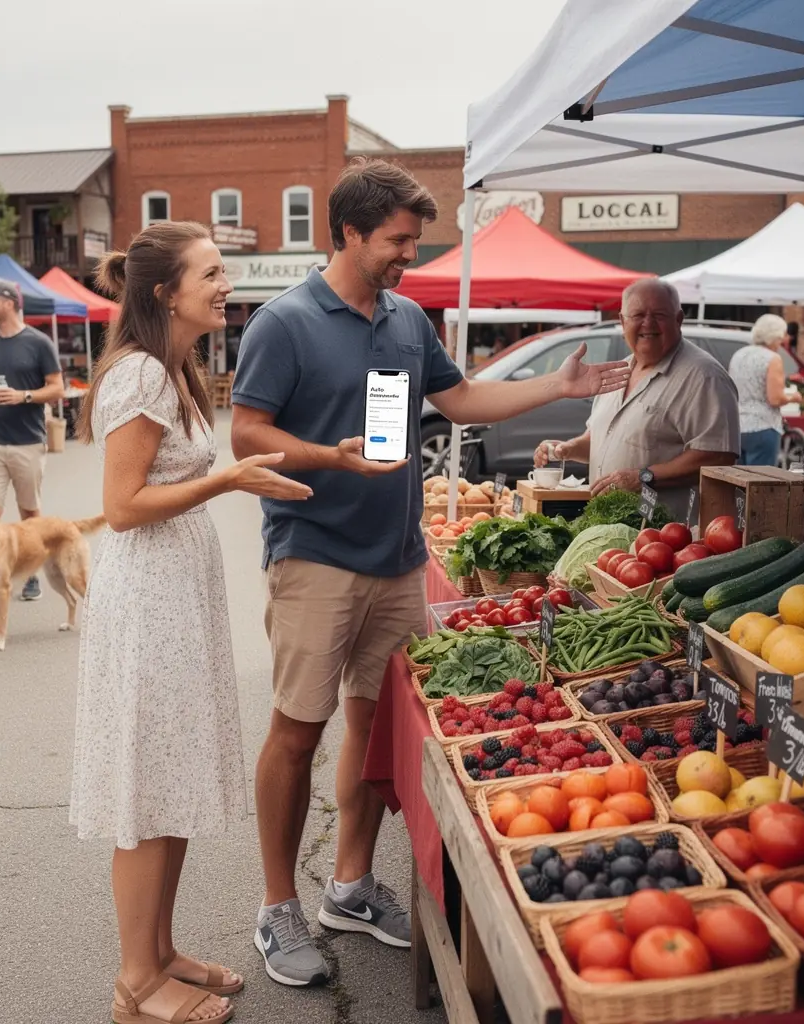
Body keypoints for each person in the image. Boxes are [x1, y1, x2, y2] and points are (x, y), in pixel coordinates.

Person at [231, 157, 631, 987]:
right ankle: (277, 908)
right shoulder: (284, 321)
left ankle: (348, 883)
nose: (408, 255)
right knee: (296, 733)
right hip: (312, 554)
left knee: (376, 731)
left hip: (400, 558)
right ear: (348, 231)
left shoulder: (410, 320)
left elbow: (461, 401)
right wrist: (328, 458)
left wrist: (556, 384)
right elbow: (245, 435)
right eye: (396, 240)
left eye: (414, 241)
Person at [71, 221, 313, 1024]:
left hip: (176, 599)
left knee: (167, 780)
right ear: (165, 292)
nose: (224, 285)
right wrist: (228, 481)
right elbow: (121, 508)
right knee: (146, 792)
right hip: (147, 606)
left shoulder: (174, 368)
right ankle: (135, 983)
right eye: (211, 273)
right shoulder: (138, 375)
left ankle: (162, 951)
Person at [535, 279, 740, 519]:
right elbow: (603, 438)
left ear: (679, 319)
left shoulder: (704, 377)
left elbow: (718, 456)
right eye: (638, 315)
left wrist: (644, 477)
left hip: (666, 537)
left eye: (660, 315)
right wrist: (567, 449)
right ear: (622, 322)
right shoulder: (618, 371)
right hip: (611, 528)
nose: (648, 324)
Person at [0, 281, 64, 607]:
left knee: (29, 512)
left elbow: (57, 388)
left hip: (27, 441)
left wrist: (25, 396)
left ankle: (30, 571)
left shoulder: (39, 343)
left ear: (9, 302)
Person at [728, 313, 794, 466]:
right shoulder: (772, 358)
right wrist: (793, 397)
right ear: (775, 336)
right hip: (762, 427)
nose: (783, 340)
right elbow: (775, 398)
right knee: (760, 483)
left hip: (737, 426)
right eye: (781, 336)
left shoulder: (739, 354)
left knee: (738, 482)